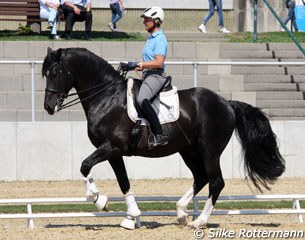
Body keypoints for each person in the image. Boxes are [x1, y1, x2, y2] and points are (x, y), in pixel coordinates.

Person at [123, 6, 169, 148]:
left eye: (147, 20)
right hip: (148, 75)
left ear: (156, 21)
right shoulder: (150, 39)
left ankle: (160, 134)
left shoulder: (160, 39)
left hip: (156, 76)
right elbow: (149, 62)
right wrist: (134, 66)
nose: (144, 22)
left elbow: (159, 62)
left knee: (142, 99)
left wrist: (140, 64)